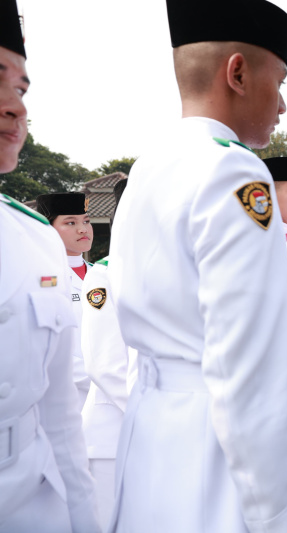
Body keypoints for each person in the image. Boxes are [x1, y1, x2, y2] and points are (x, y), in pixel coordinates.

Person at [107, 1, 287, 531]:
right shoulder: (233, 173)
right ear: (238, 72)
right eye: (279, 80)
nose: (283, 103)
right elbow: (249, 382)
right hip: (216, 454)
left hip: (148, 438)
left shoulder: (150, 166)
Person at [0, 4, 100, 529]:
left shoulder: (34, 240)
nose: (14, 107)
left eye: (21, 90)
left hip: (34, 499)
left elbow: (59, 414)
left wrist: (82, 517)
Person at [80, 179, 133, 527]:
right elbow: (105, 364)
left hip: (146, 429)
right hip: (111, 436)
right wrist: (154, 414)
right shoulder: (103, 275)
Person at [36, 192, 94, 408]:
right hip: (67, 397)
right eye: (71, 222)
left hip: (112, 390)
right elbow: (48, 346)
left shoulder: (104, 274)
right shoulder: (42, 278)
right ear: (48, 228)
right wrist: (99, 377)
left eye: (86, 221)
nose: (83, 229)